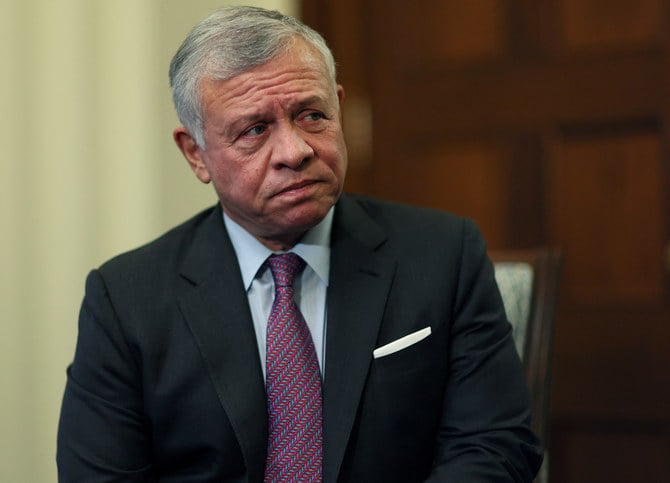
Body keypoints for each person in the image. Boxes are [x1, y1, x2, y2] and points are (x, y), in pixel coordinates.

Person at [57, 6, 543, 482]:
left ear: (338, 105)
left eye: (312, 115)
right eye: (254, 130)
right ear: (195, 154)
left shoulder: (443, 255)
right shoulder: (126, 300)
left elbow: (494, 446)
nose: (295, 151)